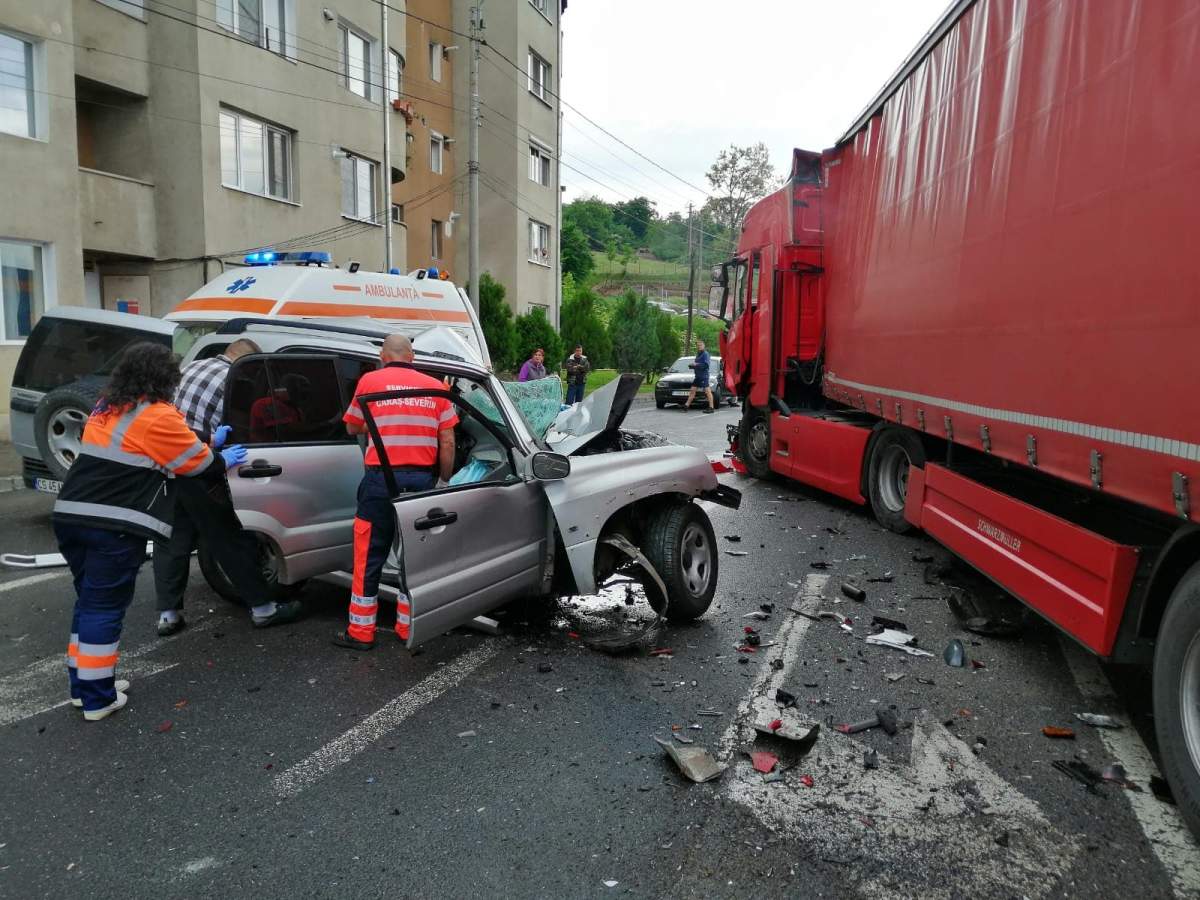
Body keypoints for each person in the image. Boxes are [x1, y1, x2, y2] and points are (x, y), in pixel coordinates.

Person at [52, 342, 248, 720]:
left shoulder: (107, 406)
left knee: (89, 603)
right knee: (105, 608)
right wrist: (219, 454)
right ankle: (97, 698)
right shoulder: (159, 415)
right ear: (164, 379)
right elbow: (194, 463)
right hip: (111, 524)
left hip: (71, 515)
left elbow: (147, 441)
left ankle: (85, 685)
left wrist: (205, 439)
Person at [154, 338, 303, 636]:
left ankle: (168, 615)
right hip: (200, 467)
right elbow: (250, 427)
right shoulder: (239, 380)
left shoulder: (194, 366)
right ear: (245, 360)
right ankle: (263, 609)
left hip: (167, 466)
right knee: (229, 539)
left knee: (172, 542)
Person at [333, 334, 458, 651]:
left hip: (378, 482)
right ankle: (408, 627)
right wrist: (442, 484)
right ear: (412, 357)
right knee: (415, 557)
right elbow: (448, 443)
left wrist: (381, 423)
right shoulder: (436, 389)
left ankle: (361, 632)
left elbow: (351, 427)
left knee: (369, 555)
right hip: (420, 483)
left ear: (383, 355)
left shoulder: (369, 381)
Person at [683, 339, 716, 414]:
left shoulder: (705, 354)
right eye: (698, 345)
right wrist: (692, 366)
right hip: (698, 376)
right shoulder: (698, 354)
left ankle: (711, 407)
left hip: (704, 376)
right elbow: (697, 365)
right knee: (692, 390)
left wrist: (696, 365)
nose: (699, 347)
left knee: (707, 391)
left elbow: (706, 365)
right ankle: (686, 406)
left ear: (704, 346)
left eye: (700, 345)